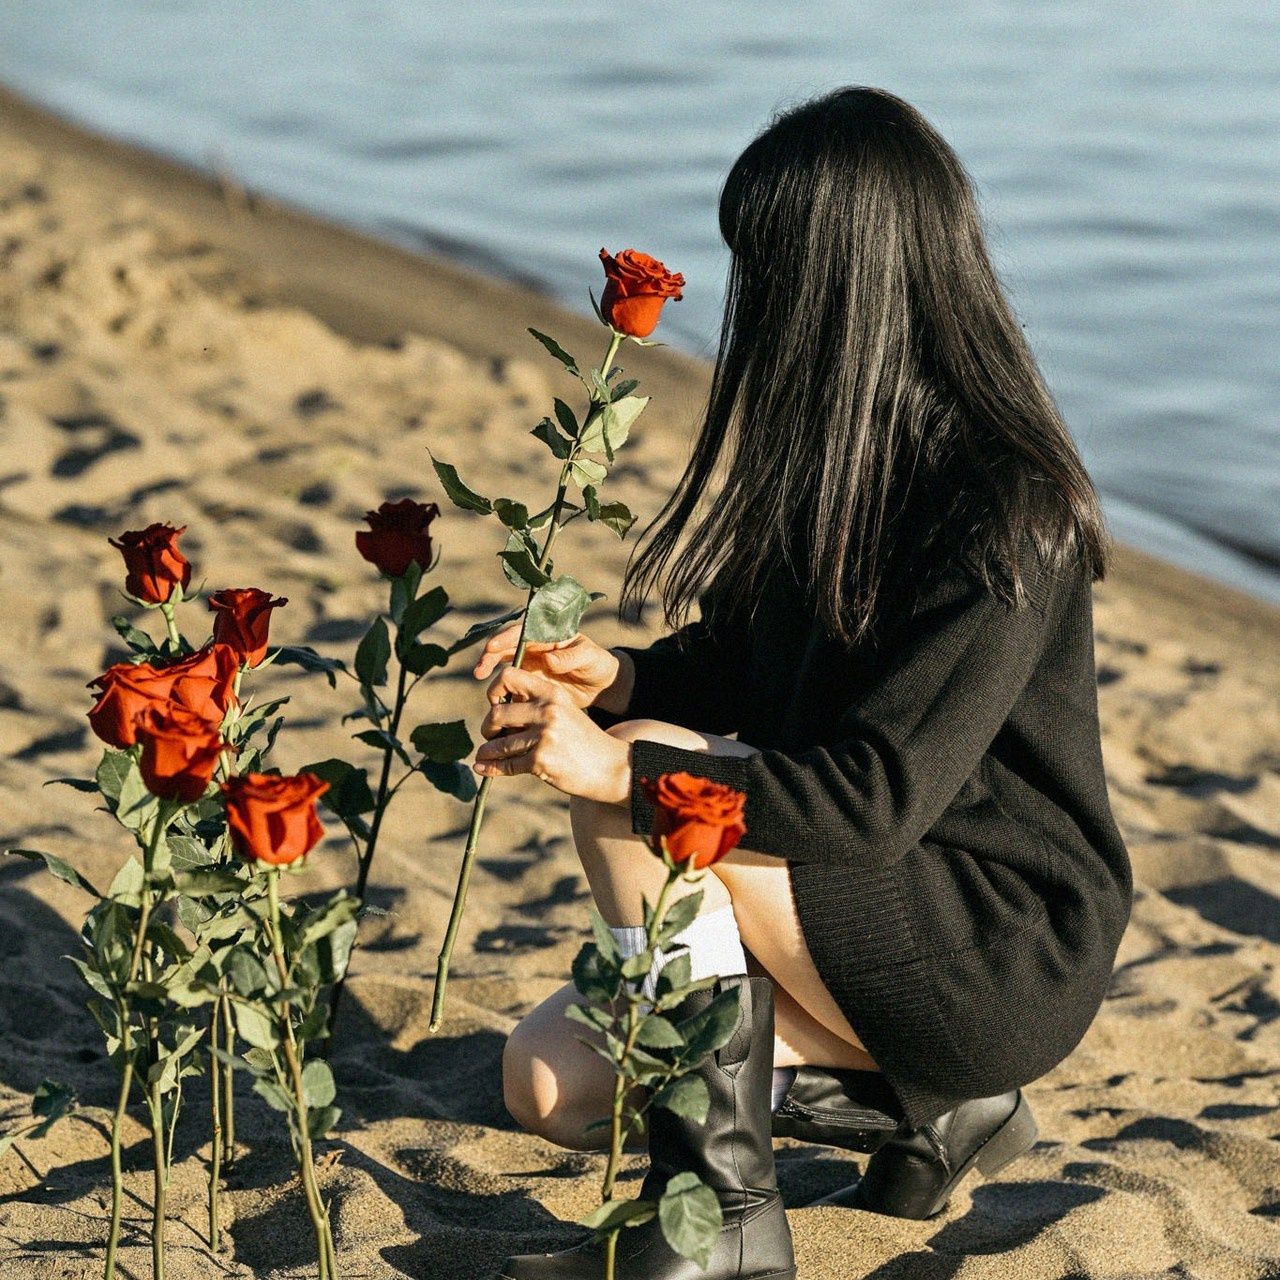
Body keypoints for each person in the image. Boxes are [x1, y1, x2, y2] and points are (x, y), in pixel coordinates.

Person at [471, 86, 1133, 1280]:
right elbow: (748, 665)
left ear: (838, 280)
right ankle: (935, 1111)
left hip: (994, 937)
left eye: (762, 266)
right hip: (856, 892)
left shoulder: (1006, 510)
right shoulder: (840, 457)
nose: (748, 301)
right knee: (547, 1083)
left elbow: (875, 795)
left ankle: (720, 1214)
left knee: (642, 791)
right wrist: (615, 674)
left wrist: (620, 762)